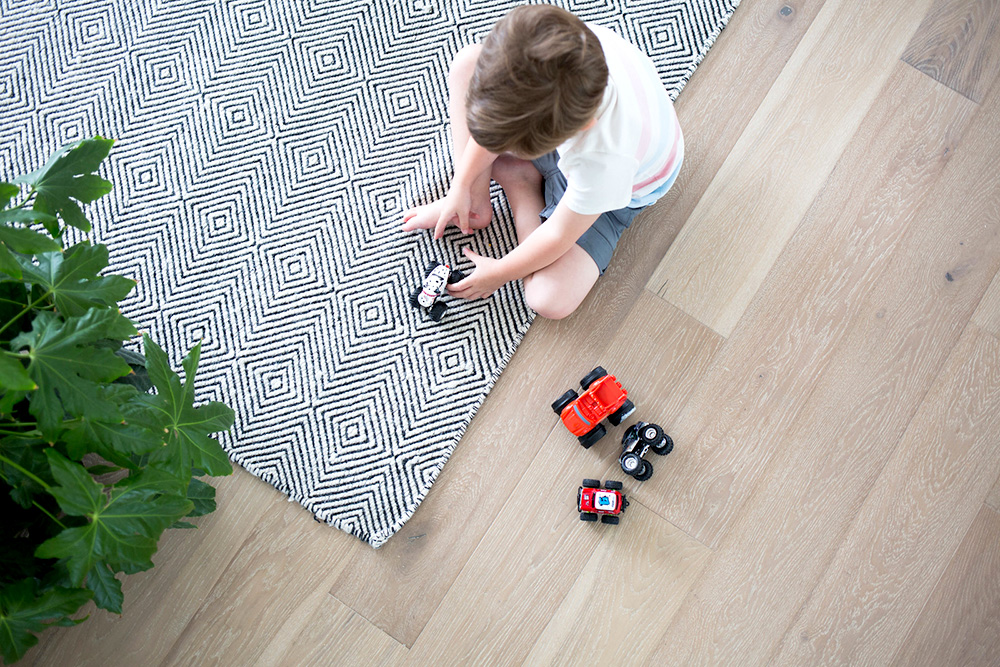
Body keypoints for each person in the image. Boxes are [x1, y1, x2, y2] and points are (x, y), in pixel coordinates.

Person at [401, 4, 683, 319]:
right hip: (571, 130)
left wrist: (499, 272)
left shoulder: (603, 160)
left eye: (506, 142)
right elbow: (500, 105)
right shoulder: (564, 48)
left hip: (614, 197)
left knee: (547, 298)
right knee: (467, 62)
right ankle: (475, 199)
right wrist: (462, 184)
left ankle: (520, 183)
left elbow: (558, 235)